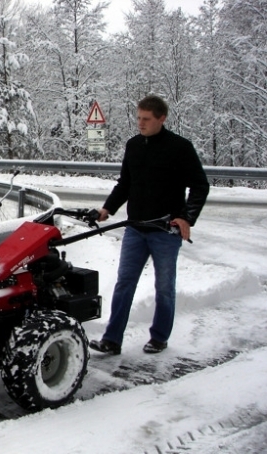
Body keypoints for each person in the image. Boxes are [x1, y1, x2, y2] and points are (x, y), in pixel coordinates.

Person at [89, 95, 209, 355]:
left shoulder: (179, 148)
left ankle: (159, 337)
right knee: (124, 283)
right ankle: (112, 340)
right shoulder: (133, 145)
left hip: (165, 231)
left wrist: (187, 217)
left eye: (146, 119)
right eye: (138, 118)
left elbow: (200, 185)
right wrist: (107, 209)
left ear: (161, 119)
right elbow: (125, 184)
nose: (140, 123)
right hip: (135, 228)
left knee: (164, 287)